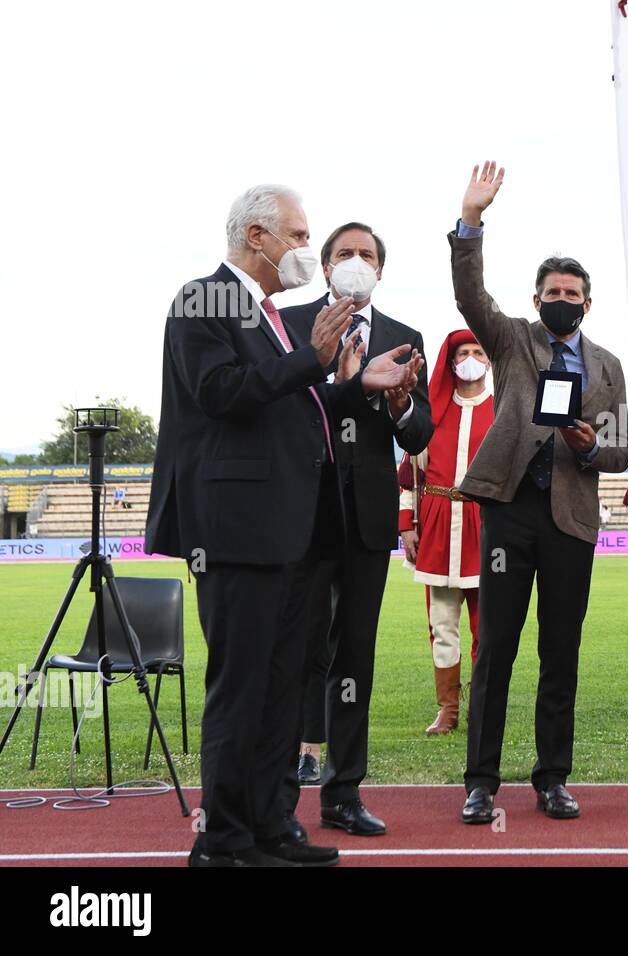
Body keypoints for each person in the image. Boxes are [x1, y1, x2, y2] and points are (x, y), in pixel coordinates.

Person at [146, 184, 418, 866]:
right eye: (299, 237)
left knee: (280, 684)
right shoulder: (202, 299)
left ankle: (268, 826)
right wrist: (313, 359)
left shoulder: (264, 312)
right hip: (234, 528)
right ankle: (224, 839)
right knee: (241, 687)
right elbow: (221, 393)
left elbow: (290, 406)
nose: (307, 249)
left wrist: (357, 386)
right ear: (256, 238)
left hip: (283, 528)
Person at [450, 161, 628, 824]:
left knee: (561, 650)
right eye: (552, 289)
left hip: (572, 516)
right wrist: (471, 221)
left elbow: (621, 451)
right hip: (511, 511)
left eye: (573, 290)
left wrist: (590, 447)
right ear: (536, 301)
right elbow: (471, 296)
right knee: (496, 646)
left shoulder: (607, 365)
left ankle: (553, 777)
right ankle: (480, 781)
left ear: (589, 300)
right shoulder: (511, 340)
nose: (563, 298)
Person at [280, 221, 431, 837]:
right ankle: (281, 795)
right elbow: (287, 414)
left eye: (366, 254)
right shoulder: (289, 327)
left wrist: (401, 407)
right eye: (344, 253)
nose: (355, 261)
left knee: (355, 658)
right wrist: (336, 382)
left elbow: (419, 437)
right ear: (324, 267)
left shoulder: (403, 337)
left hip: (368, 518)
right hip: (304, 515)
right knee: (297, 651)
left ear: (381, 270)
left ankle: (343, 792)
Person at [397, 330, 495, 736]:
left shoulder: (502, 409)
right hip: (437, 522)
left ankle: (482, 707)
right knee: (442, 622)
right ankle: (448, 710)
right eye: (462, 353)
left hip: (484, 525)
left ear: (489, 361)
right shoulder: (432, 410)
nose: (470, 358)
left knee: (486, 625)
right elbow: (408, 477)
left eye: (477, 352)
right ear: (452, 361)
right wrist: (407, 526)